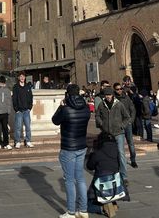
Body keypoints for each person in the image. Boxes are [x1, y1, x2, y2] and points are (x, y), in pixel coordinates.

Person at [52, 84, 91, 218]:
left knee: (69, 180)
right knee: (80, 178)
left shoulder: (66, 109)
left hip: (68, 147)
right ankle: (83, 210)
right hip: (82, 146)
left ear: (67, 94)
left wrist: (61, 106)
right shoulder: (86, 108)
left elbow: (55, 121)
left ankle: (71, 212)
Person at [86, 133, 128, 217]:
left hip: (101, 182)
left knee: (84, 206)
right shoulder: (117, 150)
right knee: (107, 192)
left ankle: (103, 209)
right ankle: (112, 203)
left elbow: (89, 166)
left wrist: (91, 154)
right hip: (115, 182)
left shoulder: (98, 152)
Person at [95, 87, 131, 186]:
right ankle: (110, 174)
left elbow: (127, 117)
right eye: (106, 95)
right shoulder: (102, 104)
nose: (108, 97)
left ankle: (124, 177)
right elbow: (97, 115)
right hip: (107, 133)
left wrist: (122, 125)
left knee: (121, 153)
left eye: (109, 95)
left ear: (112, 95)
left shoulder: (119, 104)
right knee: (107, 154)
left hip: (118, 133)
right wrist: (101, 123)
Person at [113, 82, 137, 168]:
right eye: (117, 89)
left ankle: (133, 160)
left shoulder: (126, 98)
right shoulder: (113, 99)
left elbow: (132, 109)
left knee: (130, 142)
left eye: (121, 89)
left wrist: (131, 120)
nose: (119, 90)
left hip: (127, 124)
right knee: (120, 144)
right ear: (114, 90)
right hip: (118, 125)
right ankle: (121, 162)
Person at [12, 71, 34, 148]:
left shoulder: (28, 87)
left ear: (25, 77)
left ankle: (28, 141)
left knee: (28, 127)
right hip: (19, 111)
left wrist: (29, 108)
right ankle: (17, 141)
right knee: (18, 127)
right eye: (20, 76)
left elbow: (31, 97)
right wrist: (16, 109)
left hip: (26, 110)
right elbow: (14, 98)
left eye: (23, 76)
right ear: (18, 78)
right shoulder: (15, 87)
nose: (22, 78)